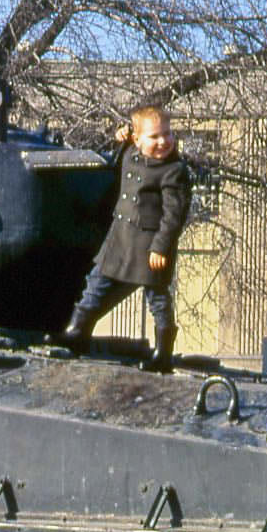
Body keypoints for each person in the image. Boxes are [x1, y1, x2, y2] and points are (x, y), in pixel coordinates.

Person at [57, 105, 192, 371]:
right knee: (96, 282)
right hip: (120, 238)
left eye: (167, 134)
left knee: (157, 297)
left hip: (149, 244)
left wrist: (161, 247)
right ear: (137, 139)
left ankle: (163, 352)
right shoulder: (131, 153)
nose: (163, 141)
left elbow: (174, 215)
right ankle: (78, 331)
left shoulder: (173, 171)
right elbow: (113, 161)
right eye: (154, 137)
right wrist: (117, 138)